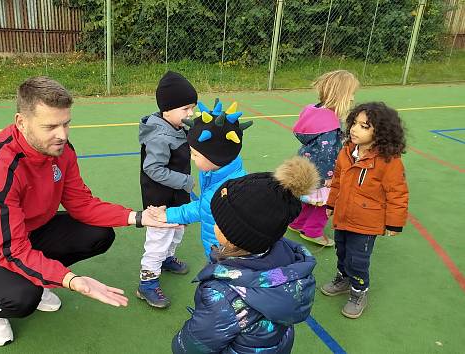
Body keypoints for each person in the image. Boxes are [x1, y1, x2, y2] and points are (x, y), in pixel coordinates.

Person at [0, 76, 176, 346]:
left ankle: (38, 276)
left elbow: (81, 203)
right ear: (21, 122)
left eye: (66, 123)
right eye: (51, 126)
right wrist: (71, 280)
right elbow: (11, 249)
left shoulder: (61, 150)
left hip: (27, 232)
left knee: (99, 235)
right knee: (23, 297)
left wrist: (139, 217)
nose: (63, 135)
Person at [172, 157, 319, 353]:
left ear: (236, 236)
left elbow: (191, 348)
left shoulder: (224, 296)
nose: (214, 226)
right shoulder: (289, 259)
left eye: (219, 223)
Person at [322, 102, 409, 319]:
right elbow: (338, 182)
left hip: (366, 222)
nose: (354, 129)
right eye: (354, 123)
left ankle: (358, 292)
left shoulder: (389, 161)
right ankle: (343, 278)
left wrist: (394, 223)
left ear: (380, 132)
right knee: (341, 251)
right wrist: (331, 204)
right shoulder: (347, 152)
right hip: (343, 216)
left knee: (358, 260)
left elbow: (397, 192)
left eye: (364, 126)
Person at [150, 99, 252, 259]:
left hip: (225, 253)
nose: (192, 158)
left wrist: (168, 215)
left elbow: (203, 209)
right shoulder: (220, 170)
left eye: (195, 154)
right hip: (219, 247)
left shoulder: (225, 189)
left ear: (217, 156)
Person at [136, 71, 197, 308]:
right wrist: (184, 182)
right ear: (167, 110)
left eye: (192, 107)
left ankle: (167, 259)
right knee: (158, 239)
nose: (191, 113)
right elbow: (153, 168)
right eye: (186, 109)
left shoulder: (178, 126)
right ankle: (147, 284)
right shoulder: (159, 136)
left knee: (177, 230)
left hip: (177, 196)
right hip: (160, 199)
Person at [288, 70, 360, 247]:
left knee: (310, 197)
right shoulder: (329, 123)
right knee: (325, 202)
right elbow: (327, 153)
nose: (352, 98)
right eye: (351, 93)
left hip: (307, 165)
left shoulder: (315, 111)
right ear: (341, 95)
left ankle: (297, 223)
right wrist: (331, 177)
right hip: (322, 170)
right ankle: (313, 231)